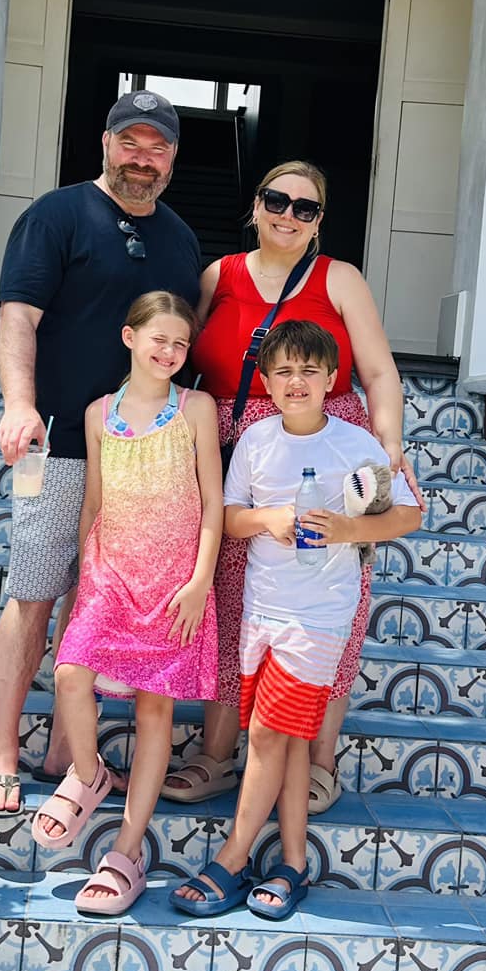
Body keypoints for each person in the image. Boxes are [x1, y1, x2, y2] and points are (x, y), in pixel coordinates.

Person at [0, 92, 202, 815]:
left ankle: (68, 747)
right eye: (130, 144)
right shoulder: (57, 215)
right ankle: (3, 748)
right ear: (106, 144)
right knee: (37, 586)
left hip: (145, 457)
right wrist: (18, 404)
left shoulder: (180, 240)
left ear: (172, 158)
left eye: (157, 147)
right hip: (59, 441)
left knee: (100, 595)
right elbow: (19, 318)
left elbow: (177, 342)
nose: (143, 159)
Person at [164, 160, 414, 817]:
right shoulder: (220, 275)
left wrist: (388, 448)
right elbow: (174, 353)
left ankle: (317, 763)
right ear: (256, 204)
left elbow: (380, 374)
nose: (289, 215)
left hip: (327, 453)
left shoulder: (341, 280)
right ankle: (216, 754)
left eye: (306, 207)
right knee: (228, 600)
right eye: (278, 200)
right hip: (231, 455)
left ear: (320, 223)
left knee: (329, 604)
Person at [172, 320, 421, 921]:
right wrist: (270, 519)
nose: (297, 381)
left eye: (311, 370)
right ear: (266, 380)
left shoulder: (356, 444)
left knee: (264, 736)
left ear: (333, 379)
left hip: (319, 617)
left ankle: (231, 859)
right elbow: (231, 517)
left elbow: (409, 515)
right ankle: (291, 863)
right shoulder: (256, 440)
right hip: (261, 611)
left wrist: (349, 530)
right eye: (284, 371)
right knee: (282, 743)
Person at [28, 292, 222, 914]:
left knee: (155, 715)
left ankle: (128, 849)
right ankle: (89, 775)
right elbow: (94, 503)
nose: (169, 352)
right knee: (69, 672)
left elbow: (214, 505)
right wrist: (87, 575)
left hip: (174, 584)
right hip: (111, 574)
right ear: (129, 337)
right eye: (158, 339)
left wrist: (198, 583)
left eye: (181, 344)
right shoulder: (97, 414)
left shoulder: (196, 409)